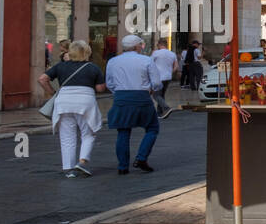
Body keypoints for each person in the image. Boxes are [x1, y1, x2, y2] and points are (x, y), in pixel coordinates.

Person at [38, 40, 106, 177]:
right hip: (84, 102)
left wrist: (52, 93)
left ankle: (68, 169)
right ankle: (82, 162)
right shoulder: (93, 67)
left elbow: (42, 79)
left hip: (63, 102)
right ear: (87, 53)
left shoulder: (61, 66)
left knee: (67, 137)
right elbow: (100, 88)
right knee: (88, 133)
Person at [105, 35, 161, 174]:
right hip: (141, 96)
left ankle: (123, 166)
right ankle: (141, 157)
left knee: (123, 131)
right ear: (137, 46)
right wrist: (150, 90)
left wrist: (119, 93)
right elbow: (157, 83)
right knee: (152, 128)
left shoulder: (112, 61)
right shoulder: (146, 60)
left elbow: (110, 83)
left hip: (121, 97)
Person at [148, 42, 179, 118]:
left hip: (158, 77)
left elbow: (149, 63)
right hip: (168, 77)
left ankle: (166, 108)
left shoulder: (156, 53)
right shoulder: (172, 54)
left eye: (157, 45)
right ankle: (161, 112)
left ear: (159, 45)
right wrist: (170, 72)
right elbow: (176, 66)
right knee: (161, 95)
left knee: (155, 95)